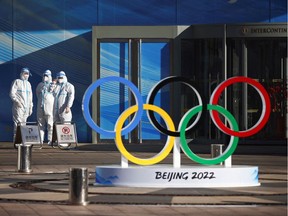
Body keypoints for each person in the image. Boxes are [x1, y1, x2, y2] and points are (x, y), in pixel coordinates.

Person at [10, 67, 33, 143]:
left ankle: (22, 140)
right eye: (25, 73)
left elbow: (30, 97)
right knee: (18, 124)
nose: (26, 75)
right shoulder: (17, 82)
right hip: (18, 107)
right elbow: (12, 93)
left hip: (26, 108)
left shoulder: (28, 84)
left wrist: (30, 107)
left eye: (27, 74)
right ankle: (16, 141)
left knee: (24, 125)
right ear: (21, 73)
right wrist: (17, 102)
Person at [36, 70, 55, 145]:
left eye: (46, 76)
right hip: (40, 107)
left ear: (50, 76)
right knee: (40, 124)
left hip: (49, 108)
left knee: (50, 124)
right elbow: (37, 93)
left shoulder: (53, 85)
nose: (45, 77)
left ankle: (50, 140)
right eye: (44, 75)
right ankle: (40, 140)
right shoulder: (40, 85)